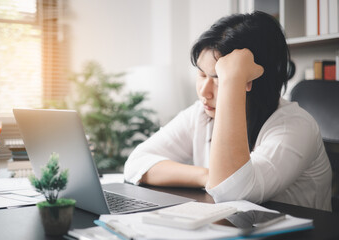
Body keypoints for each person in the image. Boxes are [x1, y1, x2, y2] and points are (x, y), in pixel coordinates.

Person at [124, 11, 332, 211]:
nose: (204, 92)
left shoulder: (295, 126)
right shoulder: (201, 114)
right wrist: (207, 176)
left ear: (251, 80)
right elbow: (136, 163)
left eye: (217, 78)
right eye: (201, 74)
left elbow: (232, 191)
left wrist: (232, 79)